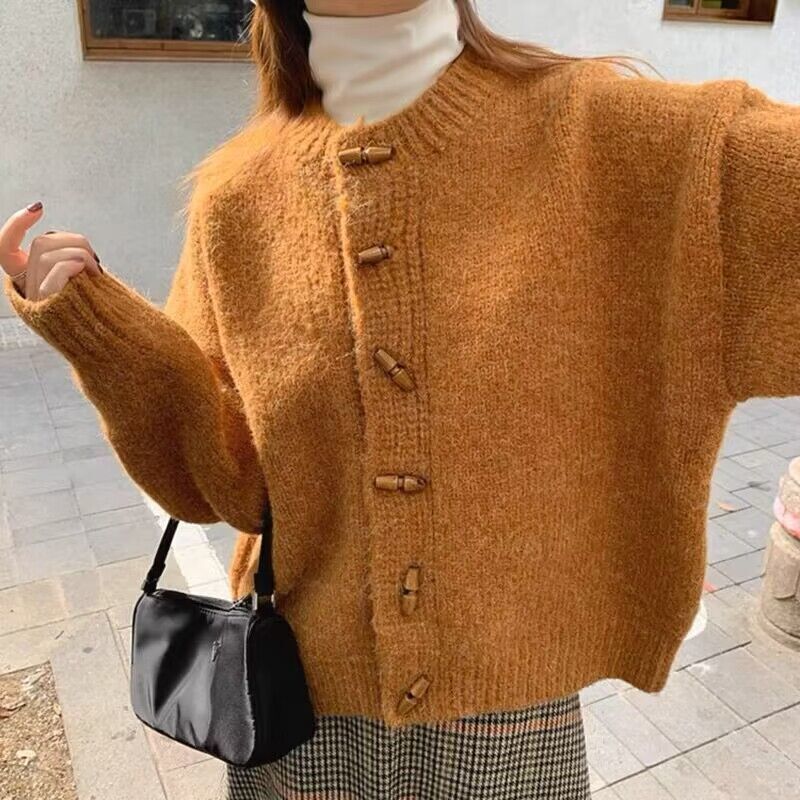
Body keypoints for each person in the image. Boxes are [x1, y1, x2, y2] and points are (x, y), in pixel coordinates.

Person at [2, 1, 799, 798]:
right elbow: (226, 486)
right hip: (292, 719)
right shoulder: (235, 196)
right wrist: (101, 332)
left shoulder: (615, 138)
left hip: (509, 731)